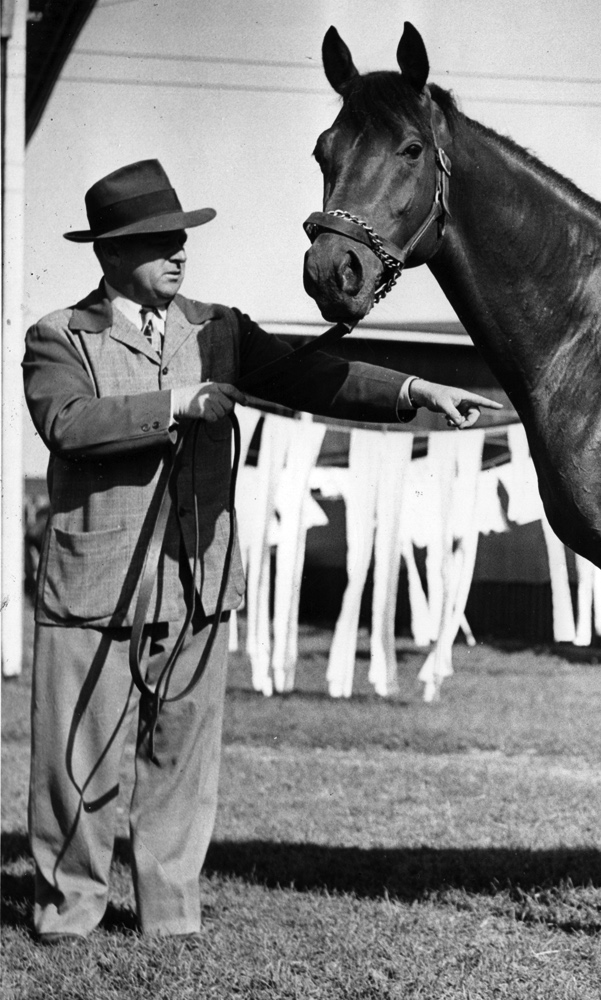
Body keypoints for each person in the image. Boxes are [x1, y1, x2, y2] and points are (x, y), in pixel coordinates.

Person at [22, 158, 500, 943]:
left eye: (181, 238)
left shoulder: (220, 330)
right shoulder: (59, 337)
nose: (178, 252)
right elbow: (68, 424)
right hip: (96, 586)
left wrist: (417, 392)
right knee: (78, 765)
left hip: (199, 579)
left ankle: (170, 917)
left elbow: (313, 376)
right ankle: (71, 913)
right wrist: (178, 404)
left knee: (182, 760)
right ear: (108, 256)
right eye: (155, 242)